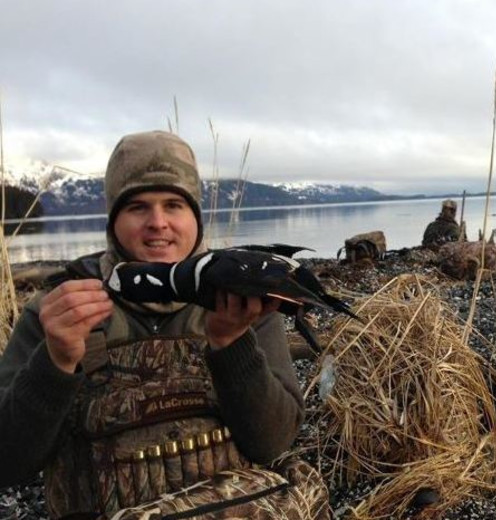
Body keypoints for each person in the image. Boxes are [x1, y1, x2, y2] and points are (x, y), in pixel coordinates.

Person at [0, 131, 328, 518]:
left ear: (195, 217)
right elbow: (8, 463)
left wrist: (231, 342)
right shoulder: (60, 312)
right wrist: (55, 363)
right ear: (113, 221)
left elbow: (272, 442)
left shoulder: (243, 302)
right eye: (138, 207)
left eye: (174, 205)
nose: (158, 223)